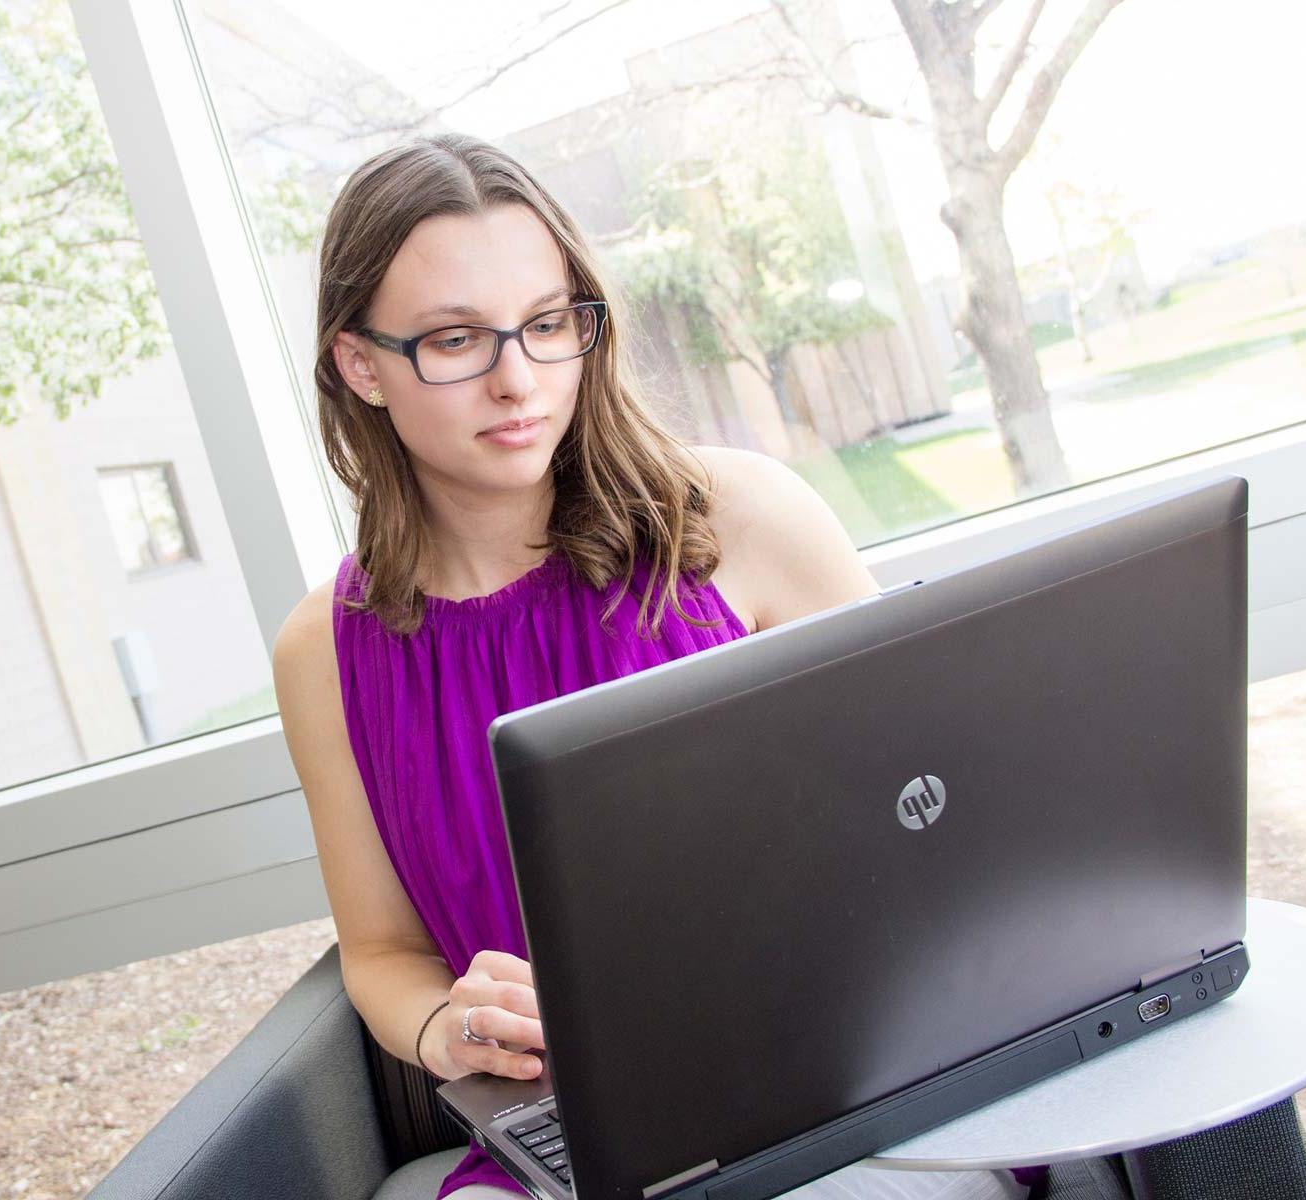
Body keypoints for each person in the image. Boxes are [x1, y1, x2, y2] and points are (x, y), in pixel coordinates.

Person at [270, 133, 1032, 1200]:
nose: (517, 379)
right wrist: (445, 1026)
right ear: (361, 365)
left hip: (857, 1074)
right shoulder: (325, 654)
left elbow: (931, 812)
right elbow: (383, 952)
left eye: (546, 325)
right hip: (595, 1136)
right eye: (454, 341)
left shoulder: (742, 518)